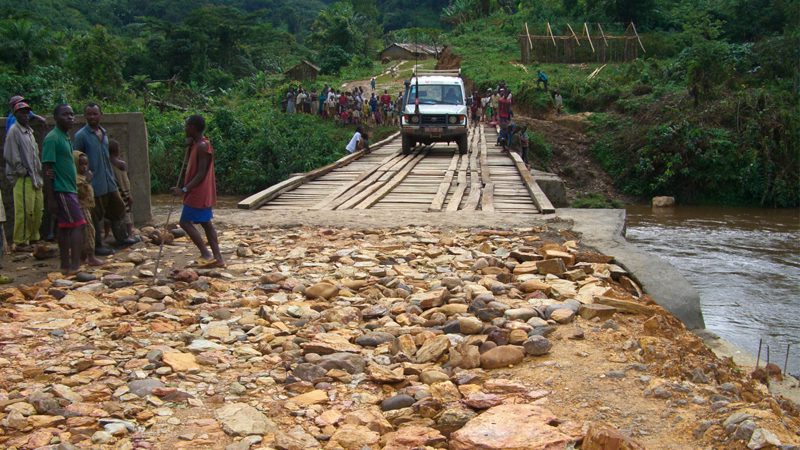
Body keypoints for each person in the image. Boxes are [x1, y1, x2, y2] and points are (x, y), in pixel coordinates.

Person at [73, 103, 137, 255]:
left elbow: (107, 157)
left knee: (118, 208)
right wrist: (85, 177)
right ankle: (97, 245)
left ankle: (121, 238)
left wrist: (116, 164)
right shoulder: (81, 136)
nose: (92, 117)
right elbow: (76, 157)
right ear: (85, 116)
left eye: (95, 114)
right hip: (94, 183)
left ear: (100, 115)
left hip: (109, 180)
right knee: (95, 215)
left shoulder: (104, 132)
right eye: (89, 114)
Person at [173, 115, 224, 268]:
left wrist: (184, 189)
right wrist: (189, 146)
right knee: (206, 223)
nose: (185, 129)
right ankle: (218, 258)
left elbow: (201, 173)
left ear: (194, 128)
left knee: (185, 222)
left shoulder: (203, 145)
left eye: (187, 126)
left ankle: (206, 253)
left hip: (198, 191)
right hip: (199, 190)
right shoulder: (197, 145)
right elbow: (190, 164)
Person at [43, 104, 85, 275]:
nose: (70, 118)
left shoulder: (65, 137)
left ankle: (65, 266)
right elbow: (47, 168)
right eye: (65, 114)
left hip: (69, 188)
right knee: (78, 224)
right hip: (62, 190)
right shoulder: (52, 138)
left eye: (72, 114)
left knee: (66, 226)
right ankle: (75, 265)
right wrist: (50, 198)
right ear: (56, 117)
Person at [3, 101, 44, 251]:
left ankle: (33, 238)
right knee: (25, 211)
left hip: (34, 176)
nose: (25, 115)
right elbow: (10, 154)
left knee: (37, 209)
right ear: (15, 115)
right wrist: (22, 171)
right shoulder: (14, 131)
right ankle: (20, 242)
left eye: (27, 112)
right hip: (23, 177)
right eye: (22, 112)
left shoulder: (29, 131)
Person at [73, 151, 103, 266]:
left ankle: (83, 257)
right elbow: (79, 191)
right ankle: (90, 256)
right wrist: (87, 180)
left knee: (86, 231)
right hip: (81, 208)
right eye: (81, 164)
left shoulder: (82, 176)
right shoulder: (77, 178)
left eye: (86, 164)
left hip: (87, 207)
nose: (84, 167)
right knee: (89, 230)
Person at [108, 139, 135, 238]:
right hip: (123, 192)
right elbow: (125, 181)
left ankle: (107, 235)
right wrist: (129, 195)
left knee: (111, 215)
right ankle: (130, 234)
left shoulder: (107, 163)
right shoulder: (121, 164)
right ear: (117, 150)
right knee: (127, 213)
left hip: (113, 191)